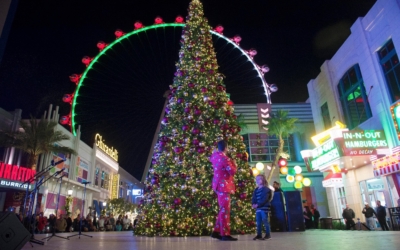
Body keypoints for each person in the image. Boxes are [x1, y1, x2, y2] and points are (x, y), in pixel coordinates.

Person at [210, 140, 238, 241]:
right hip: (224, 186)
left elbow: (212, 159)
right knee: (225, 210)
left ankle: (216, 232)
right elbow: (232, 171)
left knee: (223, 209)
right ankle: (225, 234)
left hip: (217, 185)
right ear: (226, 148)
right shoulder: (225, 158)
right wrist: (234, 164)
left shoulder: (214, 156)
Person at [252, 175, 273, 240]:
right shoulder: (256, 190)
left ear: (263, 180)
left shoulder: (266, 189)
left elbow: (265, 199)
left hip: (264, 208)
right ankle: (259, 235)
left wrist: (258, 204)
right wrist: (253, 204)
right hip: (258, 208)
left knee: (265, 220)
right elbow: (254, 198)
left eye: (259, 179)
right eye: (256, 179)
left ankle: (268, 234)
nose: (257, 180)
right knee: (258, 222)